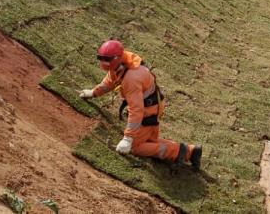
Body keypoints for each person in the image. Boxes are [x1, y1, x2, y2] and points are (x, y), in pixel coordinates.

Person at [79, 40, 202, 170]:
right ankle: (192, 151)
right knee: (147, 141)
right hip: (151, 105)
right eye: (100, 58)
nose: (103, 62)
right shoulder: (121, 63)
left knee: (135, 147)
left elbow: (136, 110)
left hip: (149, 111)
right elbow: (110, 81)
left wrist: (128, 139)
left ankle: (178, 152)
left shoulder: (131, 78)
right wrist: (93, 93)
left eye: (107, 59)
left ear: (116, 58)